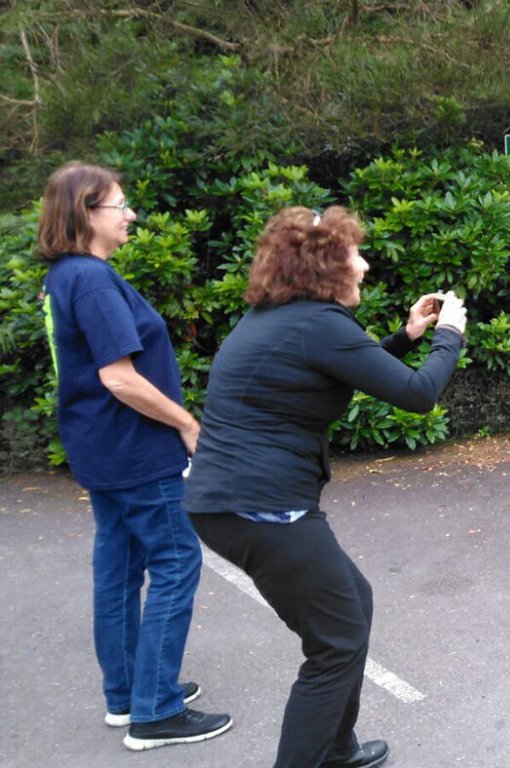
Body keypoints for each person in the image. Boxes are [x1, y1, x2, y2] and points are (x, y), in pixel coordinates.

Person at [183, 205, 467, 768]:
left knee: (351, 604)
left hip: (234, 502)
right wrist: (450, 335)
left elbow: (355, 368)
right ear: (325, 267)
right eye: (353, 255)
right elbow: (417, 395)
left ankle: (337, 748)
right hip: (260, 506)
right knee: (335, 644)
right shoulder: (316, 324)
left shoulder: (284, 318)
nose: (363, 266)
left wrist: (409, 335)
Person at [37, 161, 233, 751]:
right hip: (135, 451)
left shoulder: (65, 277)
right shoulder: (92, 282)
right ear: (84, 213)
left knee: (119, 570)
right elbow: (119, 379)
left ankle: (127, 695)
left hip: (102, 449)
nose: (131, 215)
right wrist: (187, 422)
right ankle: (155, 710)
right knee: (177, 562)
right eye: (120, 206)